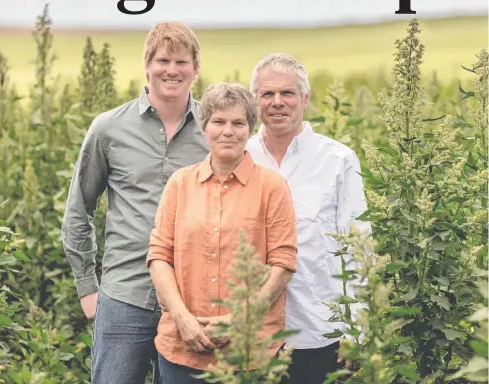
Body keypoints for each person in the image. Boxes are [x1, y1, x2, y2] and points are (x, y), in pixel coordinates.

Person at [61, 22, 209, 384]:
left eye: (181, 61)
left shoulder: (215, 129)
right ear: (147, 65)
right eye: (162, 60)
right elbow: (78, 211)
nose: (171, 70)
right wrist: (87, 288)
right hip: (123, 297)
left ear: (196, 68)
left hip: (194, 303)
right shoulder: (108, 129)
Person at [147, 83, 298, 383]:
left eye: (238, 123)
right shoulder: (180, 184)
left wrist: (238, 320)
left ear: (250, 130)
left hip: (250, 351)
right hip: (182, 346)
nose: (228, 131)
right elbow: (159, 255)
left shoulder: (273, 187)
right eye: (218, 121)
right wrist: (182, 319)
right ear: (204, 128)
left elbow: (283, 265)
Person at [245, 53, 371, 384]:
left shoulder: (338, 160)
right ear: (255, 101)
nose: (277, 103)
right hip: (250, 335)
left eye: (287, 93)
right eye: (267, 94)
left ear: (305, 98)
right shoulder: (239, 156)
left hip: (320, 331)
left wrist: (356, 327)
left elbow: (360, 244)